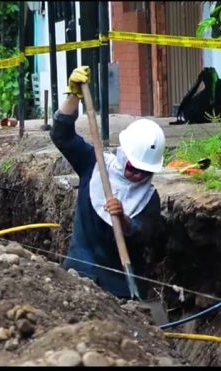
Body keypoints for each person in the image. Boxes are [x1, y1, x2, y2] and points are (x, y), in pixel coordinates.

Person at [50, 66, 166, 299]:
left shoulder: (148, 198)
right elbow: (61, 135)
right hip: (78, 274)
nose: (136, 175)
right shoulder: (94, 164)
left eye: (143, 171)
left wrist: (124, 220)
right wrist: (73, 96)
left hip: (120, 289)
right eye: (133, 166)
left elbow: (147, 235)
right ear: (123, 155)